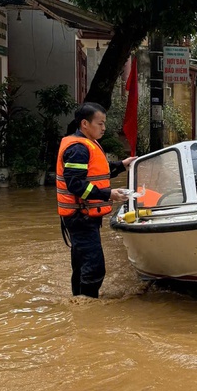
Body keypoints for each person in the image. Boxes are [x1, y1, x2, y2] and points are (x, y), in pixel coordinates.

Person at [57, 103, 136, 298]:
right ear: (85, 123)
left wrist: (121, 165)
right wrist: (109, 194)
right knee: (94, 268)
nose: (104, 128)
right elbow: (76, 184)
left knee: (82, 264)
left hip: (82, 216)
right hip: (80, 216)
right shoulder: (78, 149)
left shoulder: (86, 143)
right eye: (100, 123)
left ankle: (79, 301)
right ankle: (88, 308)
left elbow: (96, 172)